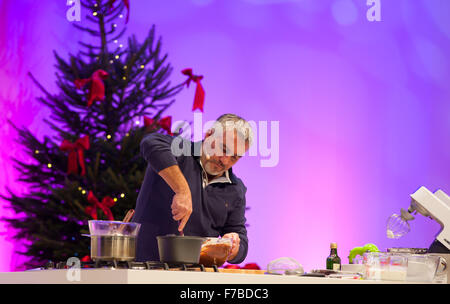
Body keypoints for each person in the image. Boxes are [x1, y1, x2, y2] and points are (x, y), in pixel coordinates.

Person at [132, 113, 253, 264]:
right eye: (223, 148)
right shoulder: (180, 151)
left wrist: (235, 246)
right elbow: (151, 142)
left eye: (234, 157)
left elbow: (240, 238)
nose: (225, 160)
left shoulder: (235, 189)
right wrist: (182, 190)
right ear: (209, 134)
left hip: (196, 275)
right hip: (145, 265)